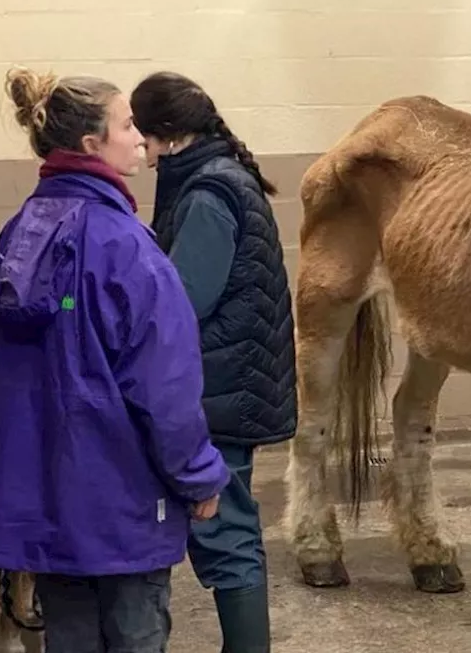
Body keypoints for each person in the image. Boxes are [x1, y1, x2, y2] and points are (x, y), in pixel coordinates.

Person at [0, 67, 230, 653]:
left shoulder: (18, 237)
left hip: (46, 500)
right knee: (136, 635)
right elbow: (164, 387)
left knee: (71, 638)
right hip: (123, 504)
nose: (141, 137)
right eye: (127, 124)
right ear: (93, 145)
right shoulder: (125, 247)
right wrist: (197, 476)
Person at [129, 71, 297, 653]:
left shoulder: (206, 194)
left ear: (170, 136)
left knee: (226, 534)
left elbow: (182, 300)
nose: (141, 153)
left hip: (218, 391)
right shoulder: (214, 176)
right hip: (230, 382)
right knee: (228, 529)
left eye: (143, 137)